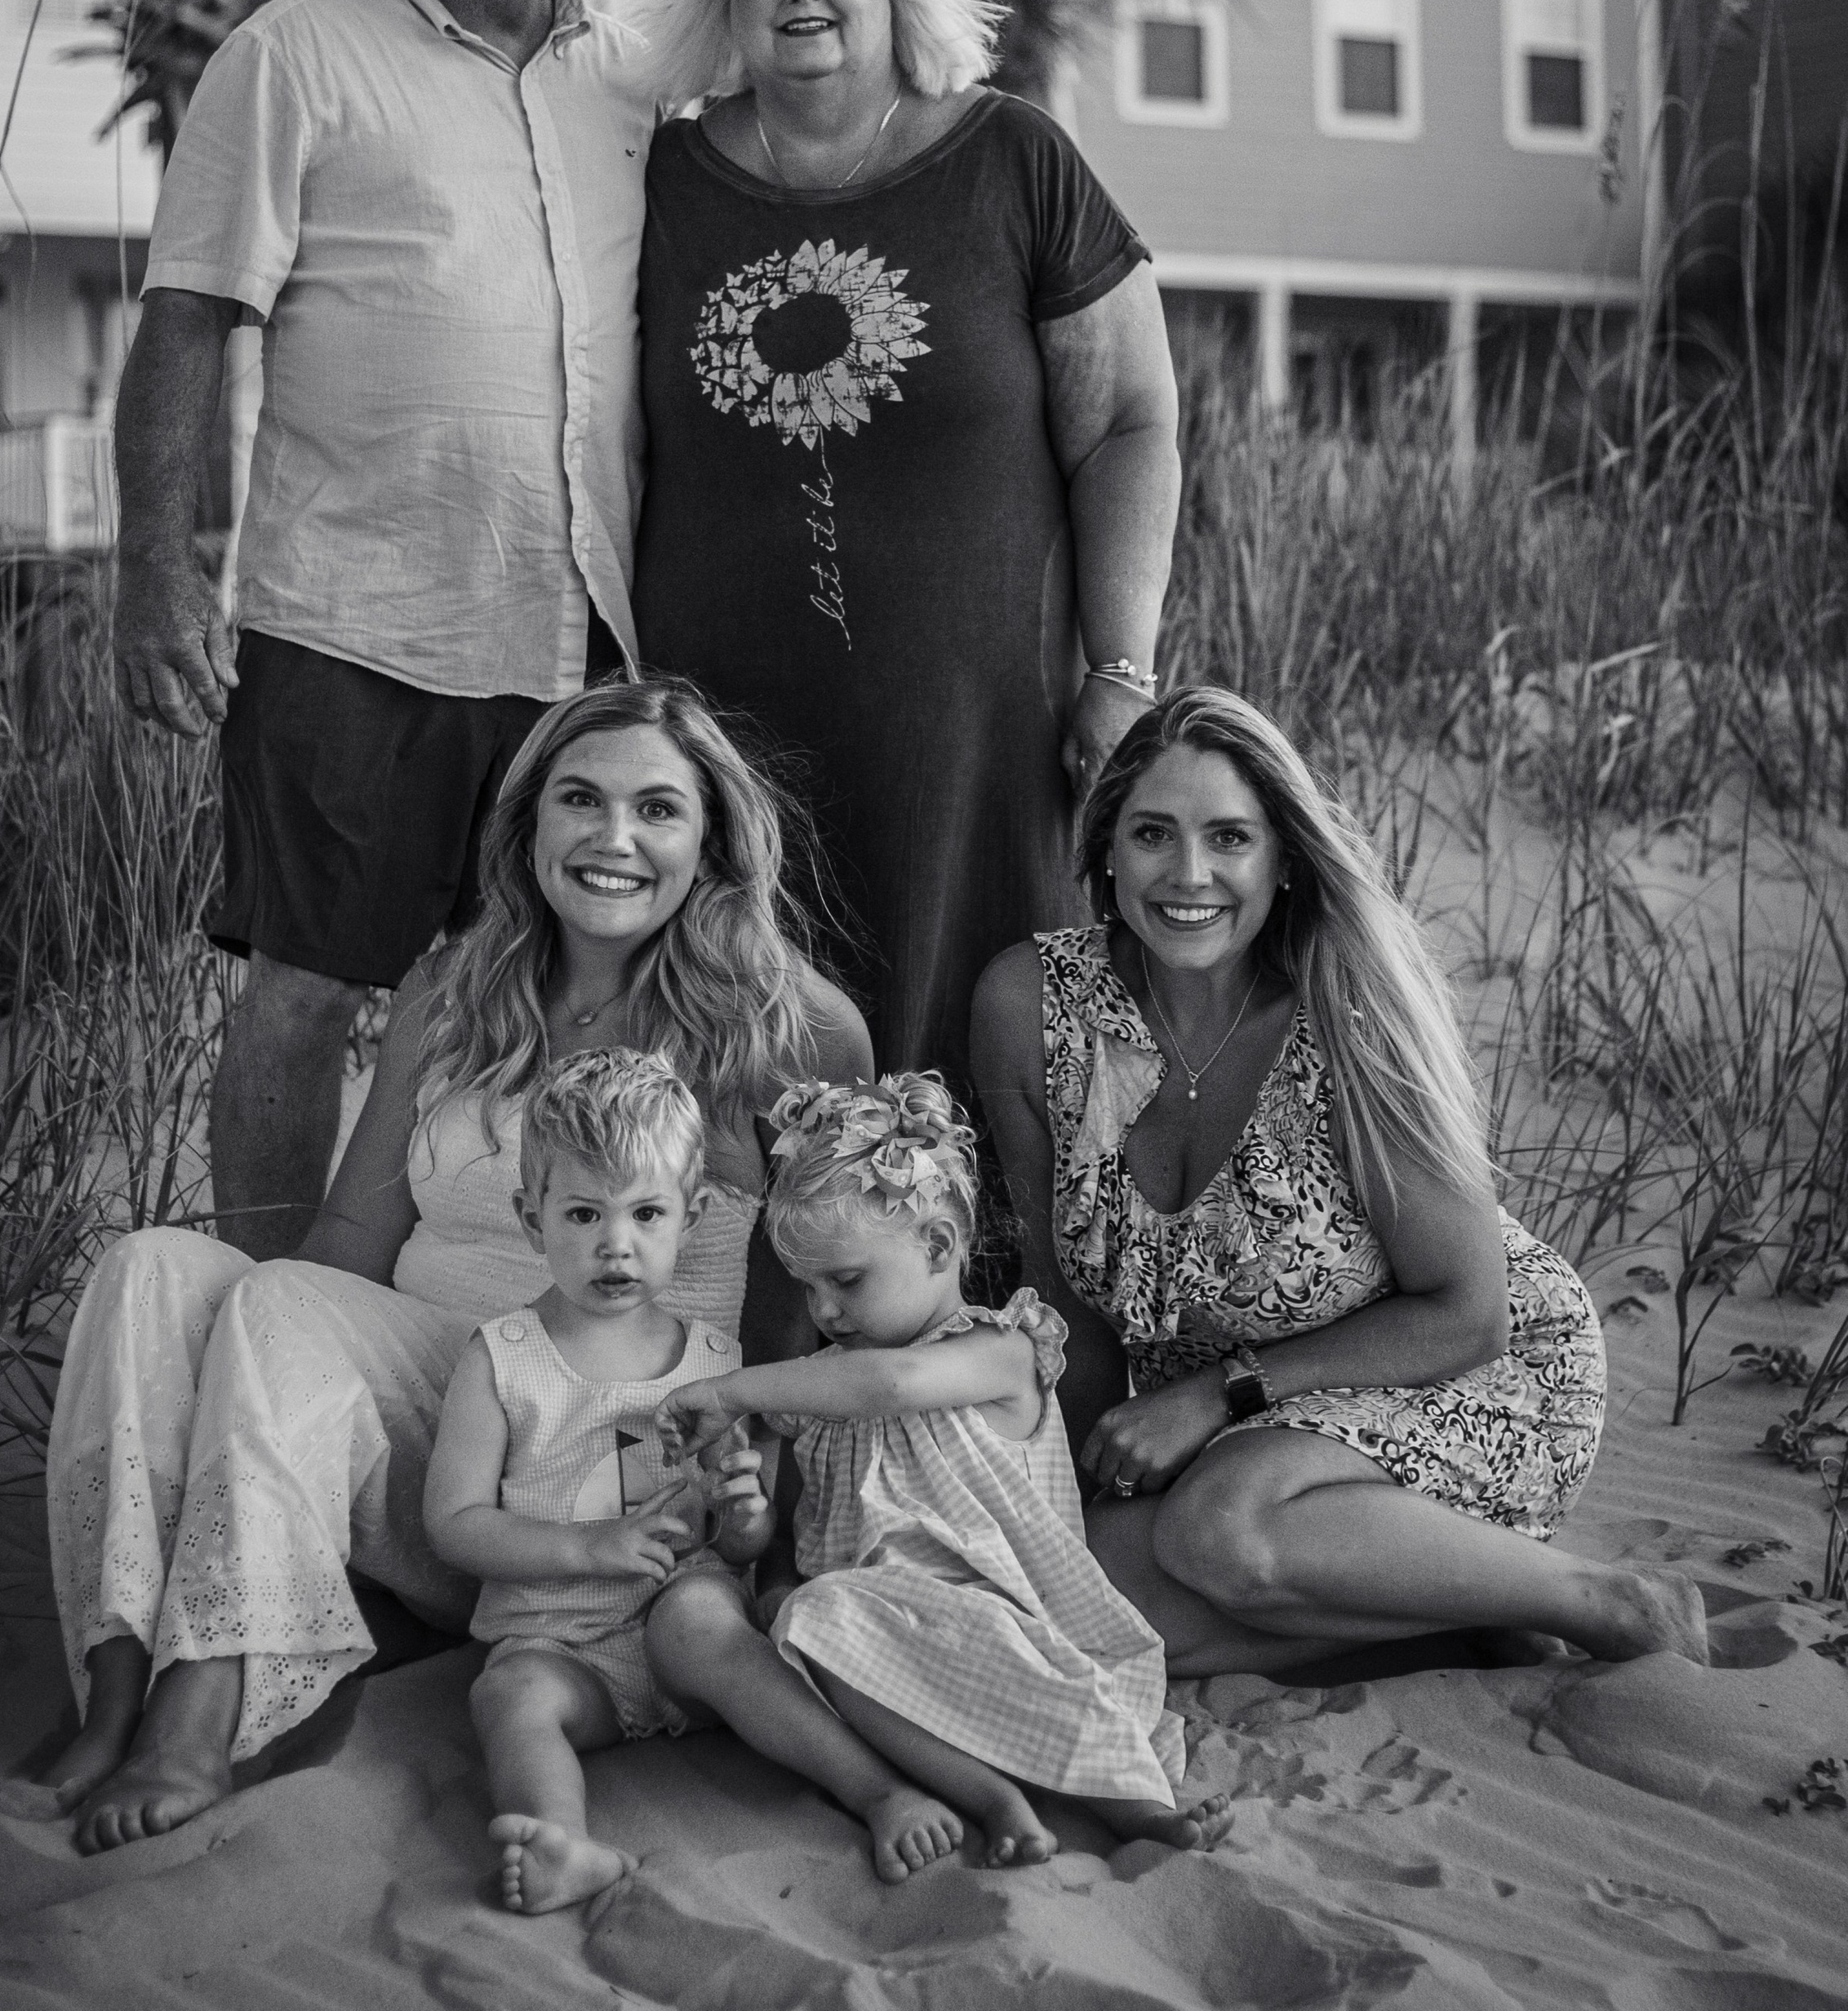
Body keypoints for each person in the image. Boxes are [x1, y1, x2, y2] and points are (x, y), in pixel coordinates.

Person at [33, 678, 871, 1854]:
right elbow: (346, 1254)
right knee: (149, 1269)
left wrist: (749, 1529)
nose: (613, 838)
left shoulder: (793, 1029)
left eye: (657, 811)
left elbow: (802, 1325)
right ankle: (119, 1677)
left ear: (713, 843)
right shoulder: (456, 990)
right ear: (528, 826)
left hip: (599, 1477)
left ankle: (205, 1703)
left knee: (274, 1299)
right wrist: (265, 1368)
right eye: (579, 799)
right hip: (438, 1451)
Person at [112, 0, 650, 1254]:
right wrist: (156, 567)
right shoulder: (296, 55)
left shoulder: (639, 83)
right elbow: (190, 318)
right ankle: (265, 1313)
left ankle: (493, 1316)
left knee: (569, 996)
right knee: (302, 992)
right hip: (355, 625)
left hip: (585, 638)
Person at [970, 686, 1710, 1676]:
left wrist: (1209, 1402)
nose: (1190, 875)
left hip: (1469, 1371)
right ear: (1106, 849)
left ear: (1282, 861)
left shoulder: (1348, 1011)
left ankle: (1619, 1606)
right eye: (1153, 833)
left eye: (1229, 838)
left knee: (1217, 1530)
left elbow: (1467, 1312)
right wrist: (1080, 1502)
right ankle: (1443, 1612)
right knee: (1075, 1600)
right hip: (1257, 1426)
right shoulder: (1030, 1006)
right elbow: (1063, 1300)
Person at [630, 0, 1181, 1081]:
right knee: (754, 1053)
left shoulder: (1012, 161)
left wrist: (1122, 668)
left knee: (996, 1046)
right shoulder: (661, 180)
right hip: (727, 728)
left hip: (979, 736)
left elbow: (1132, 425)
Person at [652, 1072, 1226, 1870]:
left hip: (1012, 1633)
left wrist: (730, 1389)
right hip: (887, 1651)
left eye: (845, 1280)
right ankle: (993, 1802)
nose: (821, 1311)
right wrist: (772, 1568)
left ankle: (1133, 1804)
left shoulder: (999, 1351)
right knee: (813, 1622)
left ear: (936, 1245)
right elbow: (790, 1535)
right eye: (807, 1286)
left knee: (839, 1621)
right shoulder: (822, 1394)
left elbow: (894, 1384)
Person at [425, 1050, 766, 1916]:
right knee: (508, 1695)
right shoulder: (501, 1360)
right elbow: (455, 1523)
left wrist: (744, 1514)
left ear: (689, 1217)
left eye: (646, 1213)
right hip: (562, 1650)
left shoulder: (715, 1364)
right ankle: (561, 1840)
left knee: (724, 1630)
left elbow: (745, 1543)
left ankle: (867, 1786)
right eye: (582, 1213)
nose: (615, 1244)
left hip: (687, 1632)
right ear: (530, 1218)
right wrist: (586, 1546)